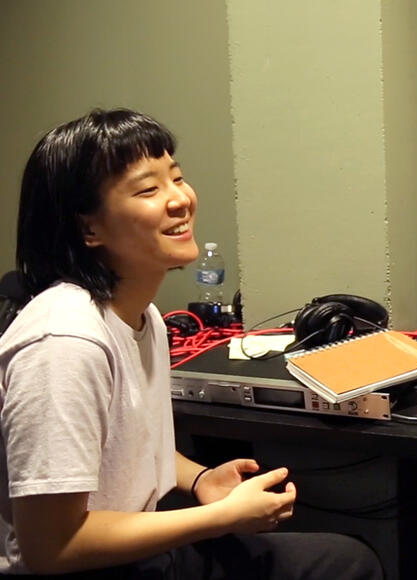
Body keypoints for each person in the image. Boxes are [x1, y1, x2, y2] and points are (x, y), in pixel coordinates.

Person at [0, 109, 383, 579]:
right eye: (148, 189)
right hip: (88, 568)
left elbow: (127, 448)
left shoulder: (145, 318)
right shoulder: (65, 342)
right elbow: (51, 548)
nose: (180, 200)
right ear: (88, 229)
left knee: (349, 558)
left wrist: (199, 478)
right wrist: (219, 518)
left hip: (135, 551)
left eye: (176, 178)